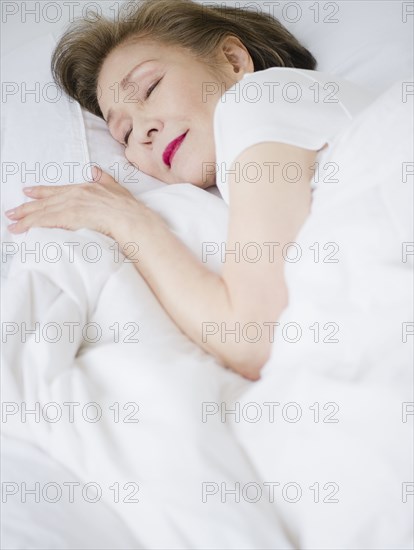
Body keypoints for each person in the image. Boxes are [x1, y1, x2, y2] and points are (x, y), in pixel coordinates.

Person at [4, 0, 373, 380]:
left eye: (150, 88)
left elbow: (251, 342)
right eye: (124, 133)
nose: (143, 131)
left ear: (232, 60)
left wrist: (128, 221)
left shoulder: (260, 98)